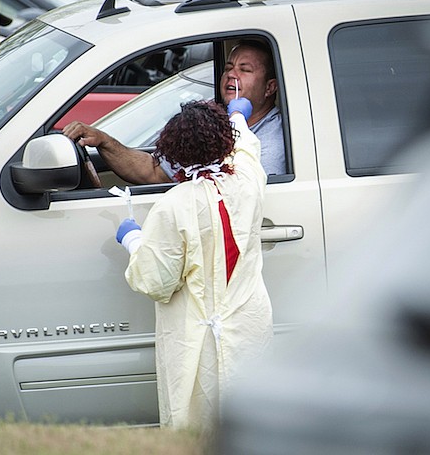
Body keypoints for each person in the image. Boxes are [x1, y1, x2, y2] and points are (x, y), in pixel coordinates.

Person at [115, 98, 274, 430]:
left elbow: (156, 281)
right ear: (224, 140)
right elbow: (247, 147)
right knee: (250, 424)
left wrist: (133, 239)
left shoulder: (175, 205)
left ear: (174, 151)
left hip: (196, 343)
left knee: (198, 429)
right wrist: (236, 117)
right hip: (248, 327)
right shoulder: (248, 178)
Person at [63, 39, 285, 182]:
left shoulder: (273, 142)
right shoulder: (213, 125)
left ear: (270, 87)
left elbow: (245, 196)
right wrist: (104, 141)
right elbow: (153, 170)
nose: (231, 74)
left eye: (244, 70)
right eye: (228, 68)